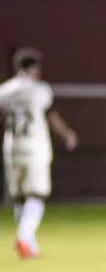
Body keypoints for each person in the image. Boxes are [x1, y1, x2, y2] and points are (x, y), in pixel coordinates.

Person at [0, 48, 79, 259]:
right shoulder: (41, 90)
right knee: (36, 195)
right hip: (35, 148)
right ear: (34, 69)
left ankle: (29, 246)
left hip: (11, 148)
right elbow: (52, 117)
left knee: (19, 198)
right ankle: (24, 238)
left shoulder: (4, 91)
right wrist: (68, 134)